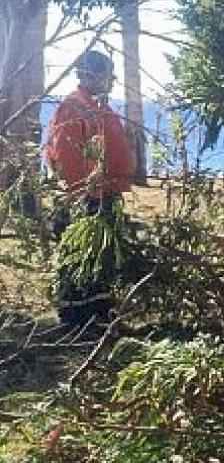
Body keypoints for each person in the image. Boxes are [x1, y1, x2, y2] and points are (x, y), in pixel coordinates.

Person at [45, 51, 136, 326]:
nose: (112, 82)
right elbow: (66, 156)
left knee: (101, 259)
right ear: (92, 75)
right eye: (109, 75)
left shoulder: (99, 107)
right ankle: (75, 320)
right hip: (85, 199)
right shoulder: (73, 108)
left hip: (105, 194)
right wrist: (82, 194)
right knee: (79, 259)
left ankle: (99, 315)